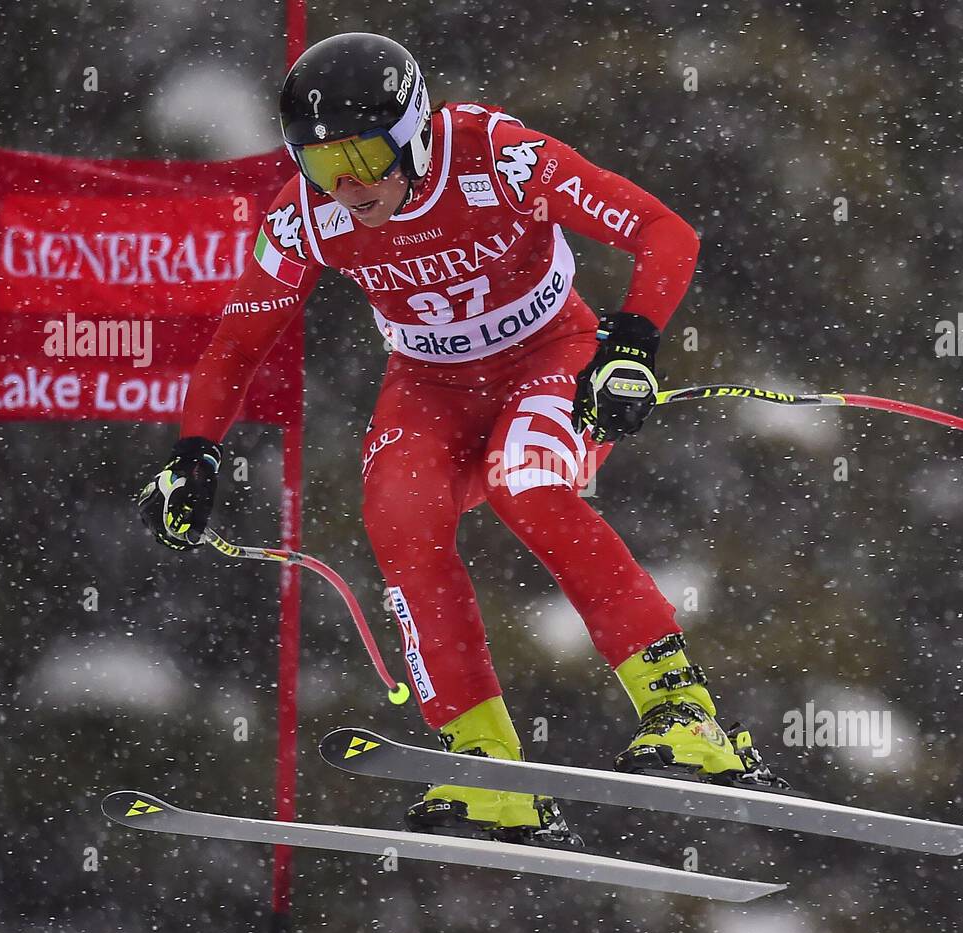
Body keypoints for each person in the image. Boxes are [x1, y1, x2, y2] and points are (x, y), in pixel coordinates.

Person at [138, 32, 787, 846]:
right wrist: (192, 453)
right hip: (431, 389)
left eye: (368, 157)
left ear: (412, 130)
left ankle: (683, 712)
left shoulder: (494, 158)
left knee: (528, 482)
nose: (350, 187)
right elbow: (237, 343)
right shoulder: (306, 214)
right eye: (322, 164)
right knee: (396, 512)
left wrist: (629, 347)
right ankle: (484, 760)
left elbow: (665, 232)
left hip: (552, 358)